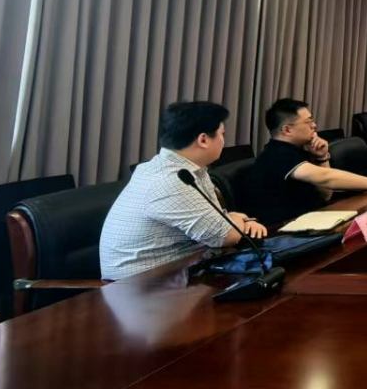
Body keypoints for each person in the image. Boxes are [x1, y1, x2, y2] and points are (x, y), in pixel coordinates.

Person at [99, 101, 267, 281]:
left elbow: (218, 219)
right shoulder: (169, 181)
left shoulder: (185, 168)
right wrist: (239, 219)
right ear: (203, 140)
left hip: (180, 271)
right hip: (143, 285)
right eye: (221, 134)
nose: (223, 141)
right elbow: (225, 236)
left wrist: (236, 220)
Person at [243, 98, 367, 229]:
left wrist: (322, 158)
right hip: (285, 230)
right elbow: (325, 177)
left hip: (312, 219)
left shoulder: (299, 150)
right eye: (308, 122)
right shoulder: (277, 154)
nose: (314, 126)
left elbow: (325, 195)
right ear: (287, 130)